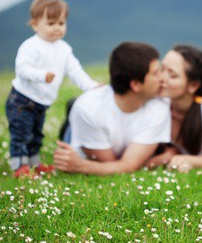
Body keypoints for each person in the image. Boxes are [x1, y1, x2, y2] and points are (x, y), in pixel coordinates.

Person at [5, 0, 98, 178]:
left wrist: (92, 86)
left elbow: (75, 71)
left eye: (61, 23)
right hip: (22, 99)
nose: (57, 28)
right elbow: (22, 69)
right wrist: (41, 76)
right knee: (21, 133)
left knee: (36, 135)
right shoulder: (31, 46)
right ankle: (19, 167)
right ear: (35, 24)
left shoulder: (64, 49)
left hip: (41, 102)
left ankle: (34, 163)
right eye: (51, 23)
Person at [53, 42, 171, 175]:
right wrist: (81, 164)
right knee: (74, 130)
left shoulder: (160, 106)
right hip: (83, 126)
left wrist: (82, 166)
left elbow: (127, 165)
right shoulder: (88, 110)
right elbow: (110, 164)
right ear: (136, 84)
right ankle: (71, 119)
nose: (163, 78)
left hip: (112, 140)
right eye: (156, 73)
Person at [146, 45, 202, 173]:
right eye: (162, 69)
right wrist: (169, 152)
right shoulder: (159, 98)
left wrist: (185, 160)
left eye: (172, 75)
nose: (161, 78)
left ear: (193, 85)